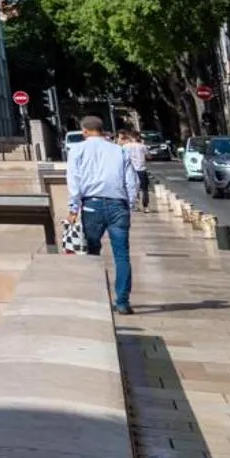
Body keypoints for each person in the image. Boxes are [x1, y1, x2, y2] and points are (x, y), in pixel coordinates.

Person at [67, 115, 137, 314]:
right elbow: (131, 181)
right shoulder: (119, 150)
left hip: (92, 204)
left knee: (92, 253)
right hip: (118, 204)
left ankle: (96, 298)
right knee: (122, 255)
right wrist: (129, 204)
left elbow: (74, 180)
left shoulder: (77, 150)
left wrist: (73, 207)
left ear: (85, 131)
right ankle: (122, 301)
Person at [121, 128, 150, 210]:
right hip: (141, 169)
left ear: (130, 137)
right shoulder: (143, 146)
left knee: (132, 187)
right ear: (138, 137)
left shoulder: (125, 146)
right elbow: (149, 156)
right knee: (144, 189)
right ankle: (145, 206)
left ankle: (134, 204)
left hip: (130, 169)